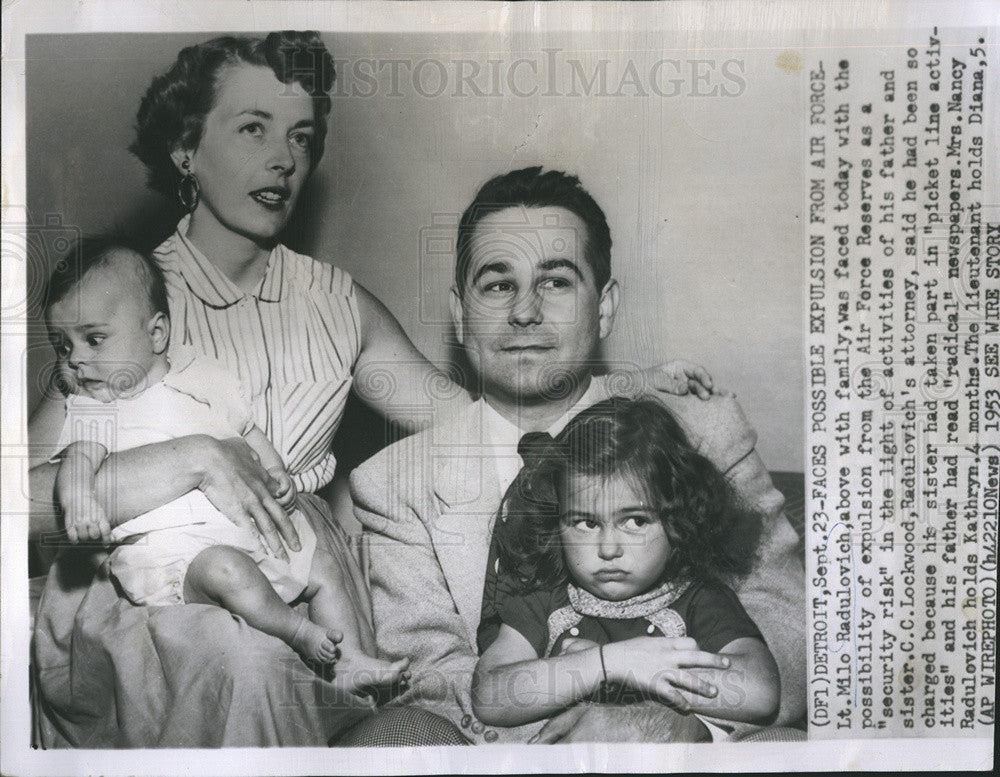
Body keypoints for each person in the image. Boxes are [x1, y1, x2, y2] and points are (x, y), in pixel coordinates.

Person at [28, 33, 707, 747]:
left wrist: (627, 382)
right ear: (185, 150)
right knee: (248, 664)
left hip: (298, 570)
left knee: (338, 684)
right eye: (253, 128)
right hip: (154, 587)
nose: (284, 158)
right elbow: (21, 506)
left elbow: (483, 417)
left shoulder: (334, 303)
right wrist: (194, 458)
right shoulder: (119, 307)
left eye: (301, 136)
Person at [351, 166, 805, 744]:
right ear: (461, 313)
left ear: (605, 307)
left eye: (556, 282)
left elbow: (785, 620)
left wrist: (665, 719)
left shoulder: (699, 430)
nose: (524, 311)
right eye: (497, 284)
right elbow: (434, 677)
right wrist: (569, 732)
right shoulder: (395, 483)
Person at [46, 240, 408, 688]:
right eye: (63, 347)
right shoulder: (95, 406)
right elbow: (79, 461)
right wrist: (79, 499)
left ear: (156, 334)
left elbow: (245, 428)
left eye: (94, 339)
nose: (76, 360)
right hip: (176, 556)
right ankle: (301, 633)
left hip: (247, 529)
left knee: (322, 567)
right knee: (228, 572)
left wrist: (277, 472)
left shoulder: (199, 374)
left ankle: (348, 660)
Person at [472, 397, 779, 732]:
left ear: (678, 522)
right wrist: (608, 663)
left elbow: (761, 691)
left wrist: (632, 672)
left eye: (635, 521)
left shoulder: (699, 599)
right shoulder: (545, 598)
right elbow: (489, 695)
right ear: (555, 523)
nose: (608, 549)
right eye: (586, 523)